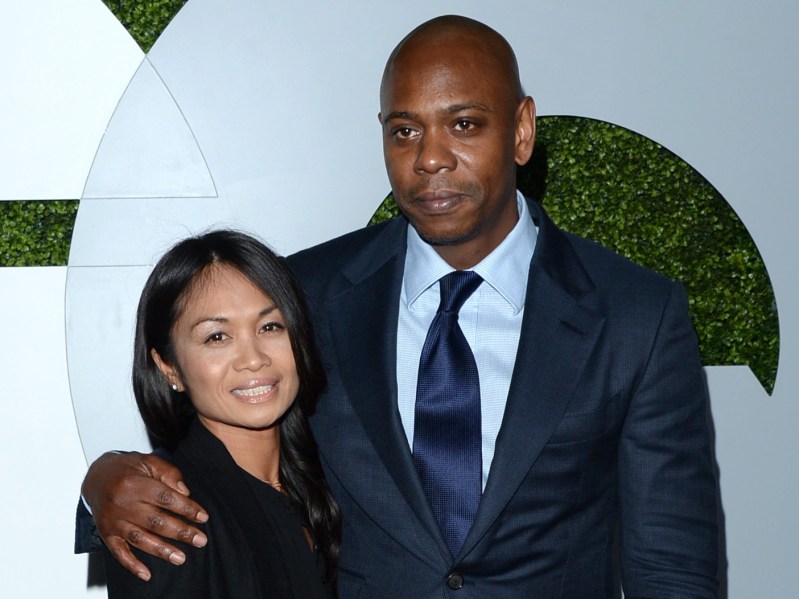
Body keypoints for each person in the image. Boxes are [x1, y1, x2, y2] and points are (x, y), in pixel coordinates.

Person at [78, 15, 719, 598]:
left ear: (522, 131)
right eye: (404, 130)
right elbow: (227, 454)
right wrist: (101, 485)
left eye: (464, 124)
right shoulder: (306, 294)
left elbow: (673, 569)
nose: (430, 158)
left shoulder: (637, 314)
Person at [98, 230, 339, 598]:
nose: (254, 358)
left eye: (270, 326)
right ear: (169, 368)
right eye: (216, 337)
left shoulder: (330, 481)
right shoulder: (163, 517)